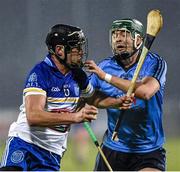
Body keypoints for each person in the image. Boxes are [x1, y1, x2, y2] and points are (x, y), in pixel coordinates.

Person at [0, 24, 133, 171]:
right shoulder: (40, 73)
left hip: (52, 154)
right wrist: (75, 117)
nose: (81, 52)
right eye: (76, 48)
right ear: (59, 50)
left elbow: (92, 97)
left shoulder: (78, 75)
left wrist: (116, 102)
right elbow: (33, 116)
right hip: (24, 144)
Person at [85, 18, 167, 171]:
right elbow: (87, 95)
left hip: (148, 151)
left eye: (124, 34)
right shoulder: (104, 66)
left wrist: (106, 77)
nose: (118, 39)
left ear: (138, 40)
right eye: (115, 34)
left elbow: (145, 92)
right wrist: (112, 103)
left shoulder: (155, 63)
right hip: (113, 148)